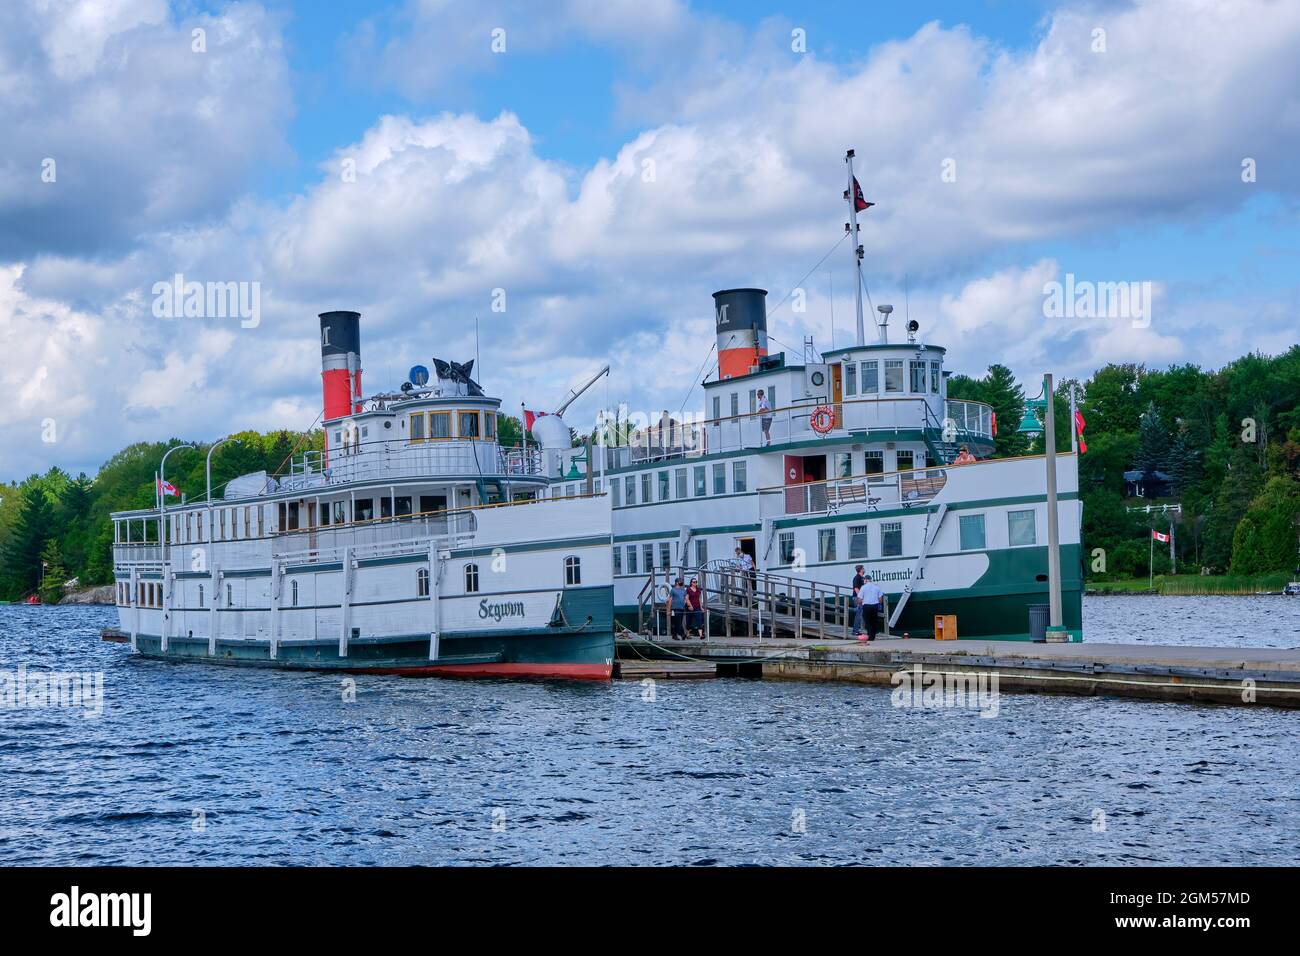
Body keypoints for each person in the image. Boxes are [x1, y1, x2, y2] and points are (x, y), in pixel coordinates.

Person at [859, 573, 885, 641]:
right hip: (874, 606)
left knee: (867, 621)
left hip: (866, 606)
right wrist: (879, 604)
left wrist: (860, 604)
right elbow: (880, 599)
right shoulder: (877, 587)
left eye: (864, 580)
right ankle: (873, 635)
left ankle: (870, 635)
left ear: (866, 580)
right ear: (871, 580)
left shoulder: (863, 587)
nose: (863, 581)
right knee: (874, 621)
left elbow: (860, 599)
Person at [851, 564, 866, 636]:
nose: (864, 569)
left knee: (859, 614)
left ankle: (857, 630)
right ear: (860, 570)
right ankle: (855, 631)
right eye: (863, 568)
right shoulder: (857, 578)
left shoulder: (861, 578)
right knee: (858, 614)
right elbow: (856, 588)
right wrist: (861, 598)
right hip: (857, 598)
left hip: (859, 598)